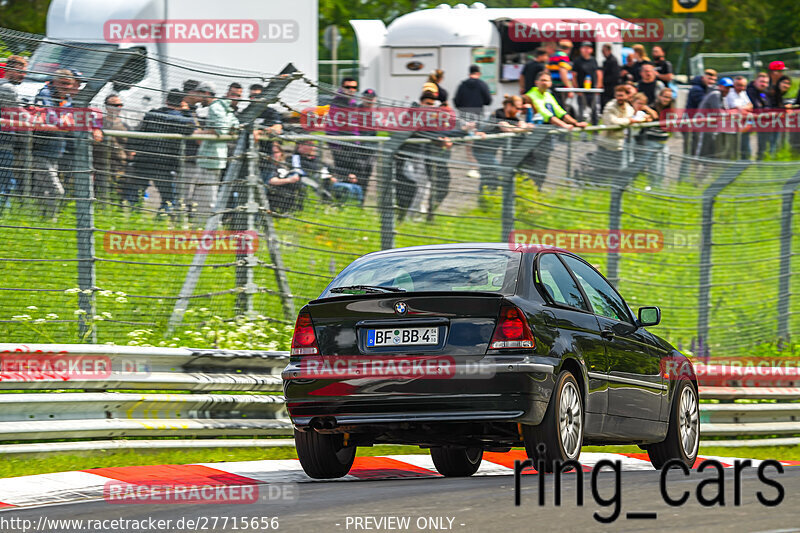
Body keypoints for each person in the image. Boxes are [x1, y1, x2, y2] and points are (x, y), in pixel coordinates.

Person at [126, 89, 197, 210]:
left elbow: (140, 131)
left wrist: (132, 150)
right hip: (164, 163)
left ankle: (131, 216)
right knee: (168, 198)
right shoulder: (180, 119)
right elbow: (191, 128)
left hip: (144, 159)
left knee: (136, 193)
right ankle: (162, 219)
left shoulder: (152, 114)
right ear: (181, 103)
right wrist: (187, 112)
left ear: (166, 100)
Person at [32, 69, 75, 218]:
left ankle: (38, 219)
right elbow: (49, 117)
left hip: (56, 150)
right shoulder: (45, 93)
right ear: (55, 82)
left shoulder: (67, 99)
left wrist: (65, 121)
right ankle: (52, 220)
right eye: (63, 83)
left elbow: (71, 119)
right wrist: (63, 122)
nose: (66, 87)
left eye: (69, 84)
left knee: (42, 189)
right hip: (39, 150)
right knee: (56, 190)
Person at [193, 81, 240, 219]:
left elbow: (220, 129)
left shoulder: (215, 107)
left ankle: (210, 227)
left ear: (206, 94)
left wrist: (198, 134)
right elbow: (235, 125)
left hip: (209, 158)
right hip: (217, 157)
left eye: (199, 95)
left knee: (207, 198)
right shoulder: (224, 107)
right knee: (207, 196)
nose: (197, 98)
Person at [0, 55, 28, 210]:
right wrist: (39, 119)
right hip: (3, 140)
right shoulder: (7, 88)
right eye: (20, 72)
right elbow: (19, 113)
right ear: (9, 69)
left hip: (5, 139)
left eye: (25, 73)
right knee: (4, 179)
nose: (23, 76)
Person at [596, 85, 643, 174]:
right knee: (602, 170)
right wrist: (629, 121)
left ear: (627, 96)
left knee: (618, 170)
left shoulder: (629, 109)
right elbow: (612, 122)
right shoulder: (610, 107)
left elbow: (632, 122)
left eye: (621, 95)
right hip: (606, 142)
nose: (619, 98)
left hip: (620, 144)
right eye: (617, 95)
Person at [92, 93, 129, 202]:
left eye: (120, 105)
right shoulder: (99, 123)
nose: (118, 108)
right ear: (106, 106)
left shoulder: (125, 125)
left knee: (118, 193)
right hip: (101, 164)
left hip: (120, 164)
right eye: (114, 105)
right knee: (101, 192)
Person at [696, 77, 734, 159]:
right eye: (726, 87)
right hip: (703, 126)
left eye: (729, 88)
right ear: (720, 86)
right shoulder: (716, 94)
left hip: (711, 127)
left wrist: (729, 113)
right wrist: (732, 113)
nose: (727, 90)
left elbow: (726, 111)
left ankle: (705, 169)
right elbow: (719, 112)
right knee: (702, 150)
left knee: (710, 150)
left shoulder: (722, 96)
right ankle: (694, 169)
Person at [264, 143, 305, 213]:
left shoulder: (285, 164)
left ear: (281, 153)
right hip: (274, 193)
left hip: (288, 192)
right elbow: (271, 180)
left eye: (277, 152)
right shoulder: (267, 166)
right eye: (272, 153)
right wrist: (289, 180)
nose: (275, 155)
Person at [572, 42, 603, 123]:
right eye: (584, 48)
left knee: (594, 110)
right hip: (582, 89)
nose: (586, 50)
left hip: (592, 89)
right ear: (581, 49)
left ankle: (595, 128)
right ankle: (580, 126)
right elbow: (574, 76)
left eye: (588, 48)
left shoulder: (593, 60)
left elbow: (598, 73)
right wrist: (576, 89)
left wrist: (598, 86)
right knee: (581, 110)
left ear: (591, 50)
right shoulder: (577, 61)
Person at [765, 75, 793, 157]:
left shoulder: (781, 94)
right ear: (779, 83)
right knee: (771, 143)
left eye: (788, 83)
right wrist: (785, 108)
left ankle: (774, 156)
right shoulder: (772, 92)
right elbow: (771, 107)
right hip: (767, 122)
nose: (786, 85)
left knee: (776, 142)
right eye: (784, 82)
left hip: (776, 122)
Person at [726, 76, 753, 159]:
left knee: (745, 144)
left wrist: (742, 108)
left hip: (744, 123)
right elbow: (737, 109)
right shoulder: (730, 93)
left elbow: (751, 106)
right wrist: (743, 108)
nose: (741, 88)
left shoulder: (743, 92)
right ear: (734, 84)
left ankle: (745, 161)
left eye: (743, 85)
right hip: (732, 125)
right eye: (739, 85)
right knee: (733, 147)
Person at [746, 72, 771, 160]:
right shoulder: (749, 90)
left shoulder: (764, 91)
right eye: (761, 82)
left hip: (761, 120)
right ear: (755, 81)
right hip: (748, 119)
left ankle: (760, 158)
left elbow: (766, 104)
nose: (764, 84)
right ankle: (746, 159)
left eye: (766, 82)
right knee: (745, 140)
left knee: (763, 141)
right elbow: (757, 106)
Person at [546, 40, 574, 108]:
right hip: (561, 86)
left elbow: (546, 71)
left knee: (555, 106)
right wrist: (569, 87)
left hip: (553, 85)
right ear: (568, 49)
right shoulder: (563, 56)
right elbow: (563, 72)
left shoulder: (552, 56)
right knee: (562, 107)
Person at [600, 44, 620, 108]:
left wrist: (603, 81)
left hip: (610, 88)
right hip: (607, 87)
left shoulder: (612, 61)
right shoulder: (607, 61)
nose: (603, 53)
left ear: (609, 51)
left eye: (604, 51)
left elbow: (615, 76)